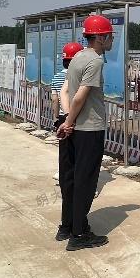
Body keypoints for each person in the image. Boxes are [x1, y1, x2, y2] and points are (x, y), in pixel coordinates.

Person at [56, 15, 113, 250]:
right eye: (109, 36)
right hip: (89, 128)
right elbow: (80, 95)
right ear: (100, 38)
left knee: (70, 178)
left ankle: (67, 226)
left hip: (75, 128)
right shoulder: (95, 61)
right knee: (85, 181)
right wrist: (69, 121)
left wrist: (67, 121)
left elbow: (66, 91)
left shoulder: (78, 56)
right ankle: (78, 234)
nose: (111, 40)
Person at [50, 41, 83, 192]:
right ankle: (81, 182)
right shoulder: (80, 78)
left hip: (63, 118)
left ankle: (63, 177)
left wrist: (56, 117)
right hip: (78, 117)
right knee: (80, 152)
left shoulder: (57, 77)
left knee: (65, 152)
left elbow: (54, 99)